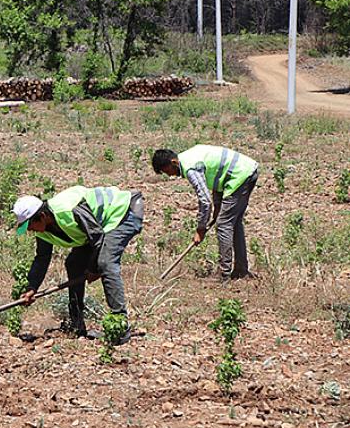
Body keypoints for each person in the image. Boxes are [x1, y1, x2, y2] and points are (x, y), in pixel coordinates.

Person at [13, 185, 144, 343]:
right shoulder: (44, 229)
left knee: (106, 263)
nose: (30, 231)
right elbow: (42, 258)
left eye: (31, 226)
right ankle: (76, 324)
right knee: (74, 264)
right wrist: (31, 287)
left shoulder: (70, 210)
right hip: (97, 228)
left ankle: (120, 327)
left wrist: (93, 269)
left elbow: (97, 236)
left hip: (124, 212)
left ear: (42, 216)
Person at [152, 145, 258, 282]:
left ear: (173, 162)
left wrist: (200, 229)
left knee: (224, 224)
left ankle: (224, 274)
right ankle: (241, 271)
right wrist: (218, 207)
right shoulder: (187, 157)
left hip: (241, 175)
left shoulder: (191, 168)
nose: (170, 175)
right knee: (233, 222)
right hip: (246, 170)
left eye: (168, 171)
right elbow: (217, 178)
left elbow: (205, 201)